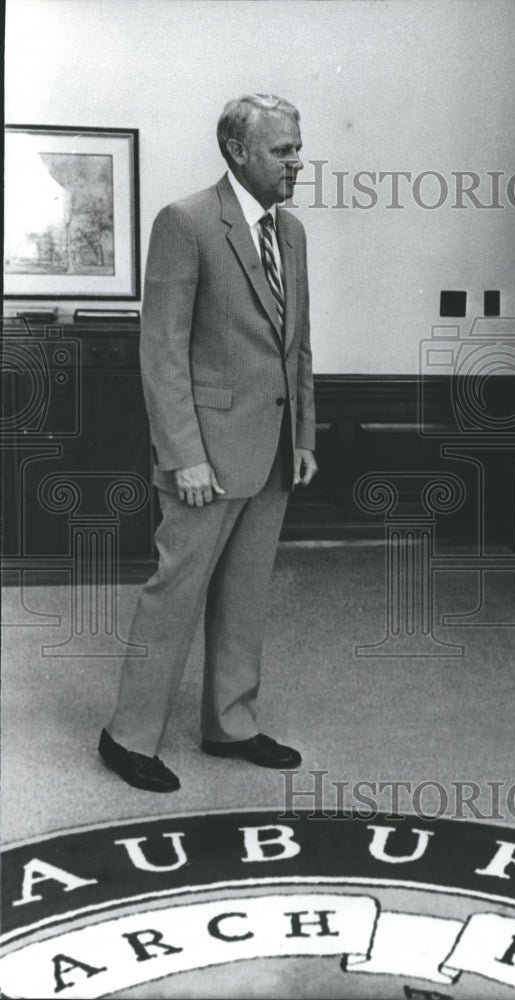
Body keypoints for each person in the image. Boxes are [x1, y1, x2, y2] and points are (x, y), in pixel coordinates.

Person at [99, 93, 317, 792]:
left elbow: (297, 347)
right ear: (238, 152)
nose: (296, 162)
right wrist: (182, 455)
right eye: (282, 150)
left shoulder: (292, 234)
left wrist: (303, 436)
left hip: (273, 448)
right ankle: (127, 737)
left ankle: (231, 725)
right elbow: (160, 353)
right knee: (175, 595)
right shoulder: (186, 222)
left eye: (296, 147)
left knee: (245, 597)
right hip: (205, 456)